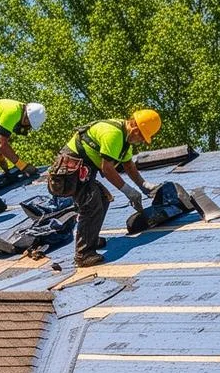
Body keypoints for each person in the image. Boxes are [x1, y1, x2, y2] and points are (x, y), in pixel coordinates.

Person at [64, 110, 160, 268]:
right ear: (136, 130)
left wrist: (144, 185)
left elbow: (128, 164)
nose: (142, 141)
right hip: (70, 172)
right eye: (142, 137)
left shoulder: (125, 137)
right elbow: (107, 169)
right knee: (91, 202)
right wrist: (129, 191)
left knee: (102, 197)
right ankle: (84, 255)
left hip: (83, 171)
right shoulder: (114, 134)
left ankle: (91, 238)